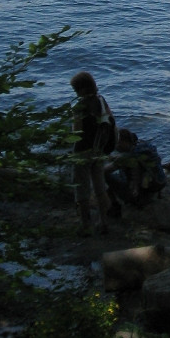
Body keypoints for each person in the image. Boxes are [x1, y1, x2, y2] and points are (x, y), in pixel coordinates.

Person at [70, 70, 114, 235]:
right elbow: (110, 121)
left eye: (75, 89)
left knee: (81, 188)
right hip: (99, 150)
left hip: (82, 152)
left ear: (81, 89)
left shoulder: (78, 107)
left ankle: (85, 224)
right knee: (99, 186)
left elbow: (77, 133)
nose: (75, 92)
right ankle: (103, 222)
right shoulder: (101, 100)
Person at [104, 128, 166, 215]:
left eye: (117, 143)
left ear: (123, 142)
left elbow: (105, 170)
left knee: (104, 175)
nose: (116, 147)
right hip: (158, 184)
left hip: (142, 193)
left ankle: (115, 205)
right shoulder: (142, 147)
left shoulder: (127, 157)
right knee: (124, 170)